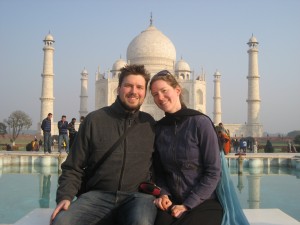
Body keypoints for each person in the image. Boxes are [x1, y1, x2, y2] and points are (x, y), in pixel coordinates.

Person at [50, 64, 157, 225]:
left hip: (137, 198)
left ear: (145, 93)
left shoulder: (149, 124)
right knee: (62, 222)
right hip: (98, 196)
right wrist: (65, 196)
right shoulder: (95, 120)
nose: (134, 91)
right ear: (118, 88)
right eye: (128, 86)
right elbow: (73, 166)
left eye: (139, 87)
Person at [150, 70, 249, 225]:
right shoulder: (159, 129)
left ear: (177, 90)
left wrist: (188, 204)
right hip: (172, 200)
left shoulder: (199, 123)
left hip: (203, 201)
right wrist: (163, 194)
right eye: (155, 94)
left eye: (164, 91)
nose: (160, 97)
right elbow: (160, 172)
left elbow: (213, 172)